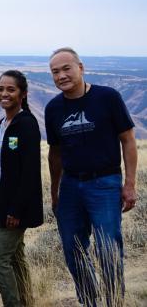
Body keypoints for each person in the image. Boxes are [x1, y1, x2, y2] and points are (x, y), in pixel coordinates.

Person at [45, 47, 137, 306]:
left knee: (108, 248)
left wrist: (129, 184)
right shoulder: (53, 108)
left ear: (81, 68)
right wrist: (55, 192)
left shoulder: (107, 97)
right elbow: (55, 153)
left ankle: (113, 301)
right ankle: (89, 300)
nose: (61, 75)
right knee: (73, 249)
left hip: (105, 183)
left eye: (66, 68)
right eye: (55, 72)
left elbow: (128, 140)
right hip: (71, 186)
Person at [0, 70, 43, 307]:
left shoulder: (26, 125)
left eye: (11, 89)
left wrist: (16, 209)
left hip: (15, 210)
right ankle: (27, 302)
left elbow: (29, 173)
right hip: (1, 207)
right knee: (16, 258)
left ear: (23, 94)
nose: (4, 93)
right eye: (1, 89)